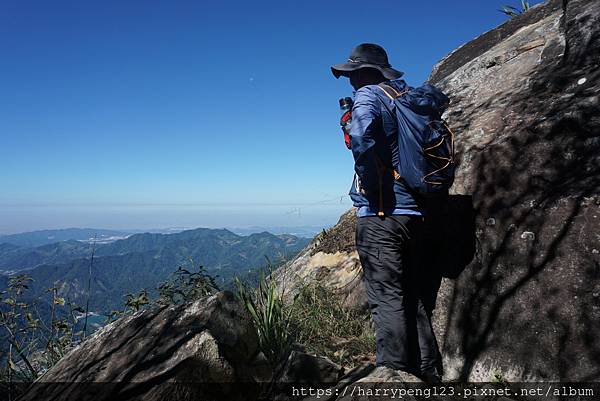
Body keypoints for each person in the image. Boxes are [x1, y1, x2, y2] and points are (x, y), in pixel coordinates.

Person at [331, 43, 443, 383]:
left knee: (386, 299)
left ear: (363, 72)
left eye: (352, 74)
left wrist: (370, 184)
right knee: (414, 296)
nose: (350, 81)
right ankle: (428, 375)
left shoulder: (368, 95)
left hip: (382, 214)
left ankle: (392, 379)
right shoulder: (406, 95)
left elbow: (363, 137)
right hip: (416, 212)